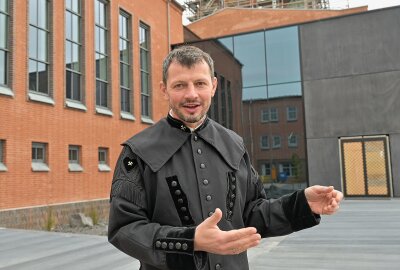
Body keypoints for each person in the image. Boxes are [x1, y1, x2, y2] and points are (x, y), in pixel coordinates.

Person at [108, 46, 343, 270]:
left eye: (200, 83)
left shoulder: (234, 144)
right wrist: (191, 241)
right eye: (180, 85)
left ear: (213, 86)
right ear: (164, 89)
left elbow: (253, 213)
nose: (191, 94)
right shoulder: (136, 152)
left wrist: (302, 204)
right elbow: (124, 228)